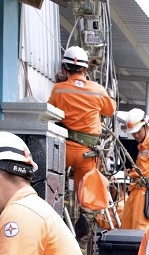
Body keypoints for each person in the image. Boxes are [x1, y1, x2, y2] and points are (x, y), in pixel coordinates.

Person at [47, 45, 116, 190]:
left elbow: (49, 112)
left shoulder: (59, 89)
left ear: (65, 69)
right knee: (86, 193)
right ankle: (86, 212)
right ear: (85, 69)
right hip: (87, 153)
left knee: (52, 187)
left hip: (64, 150)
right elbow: (111, 111)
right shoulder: (97, 90)